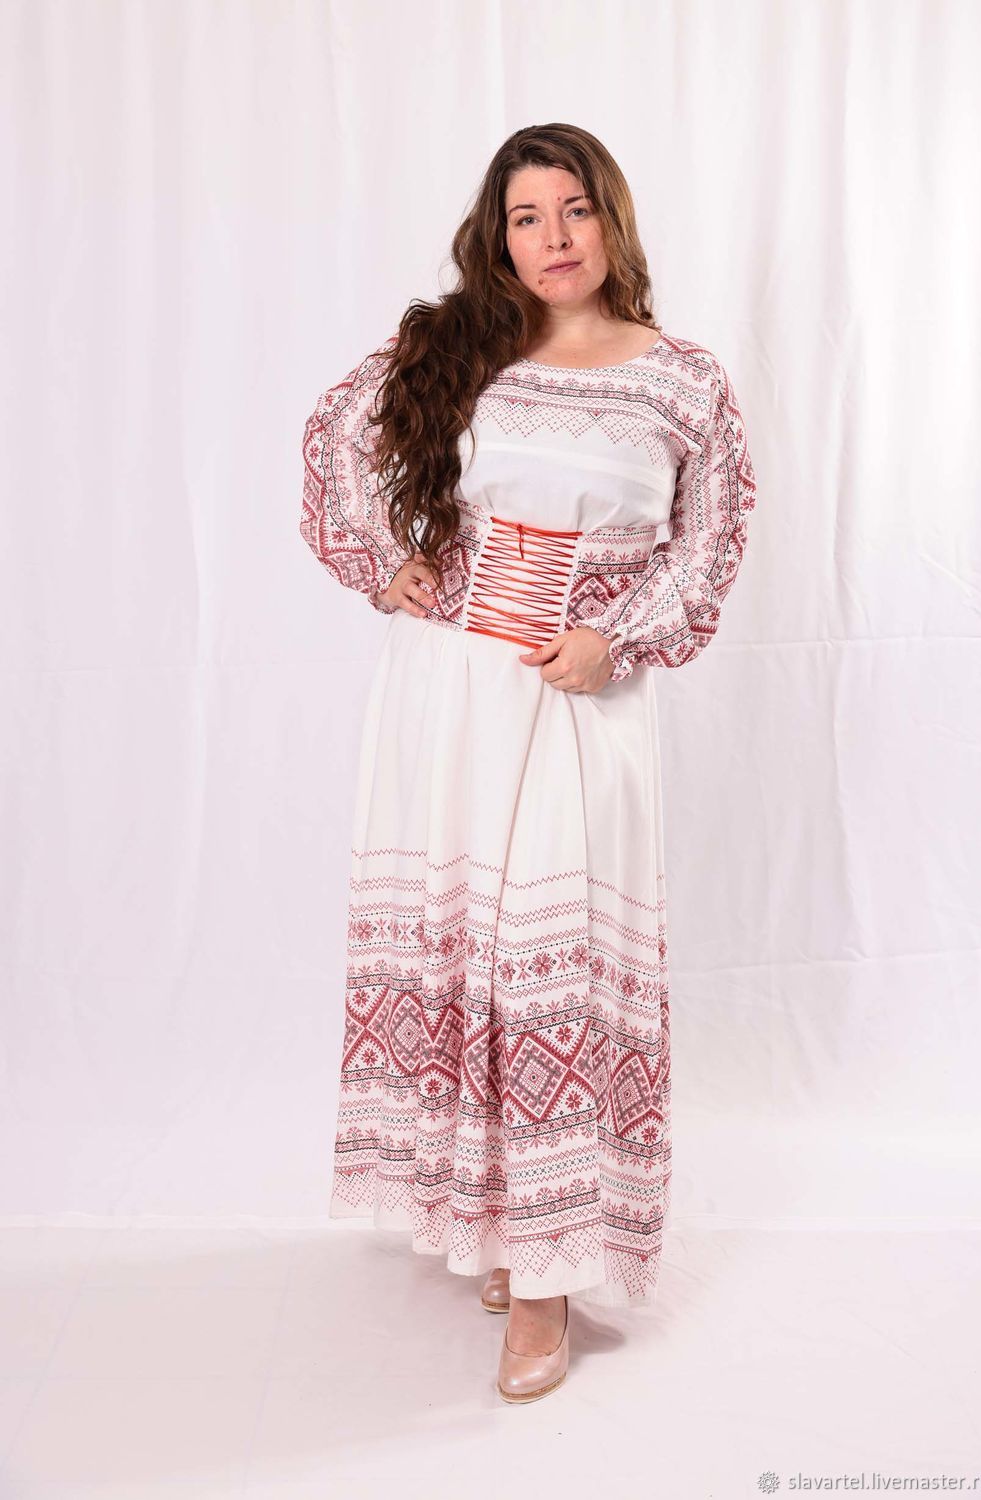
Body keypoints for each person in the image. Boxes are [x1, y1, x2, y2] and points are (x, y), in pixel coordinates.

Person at [299, 122, 757, 1403]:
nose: (552, 238)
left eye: (573, 210)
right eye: (524, 216)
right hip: (449, 693)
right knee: (469, 957)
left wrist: (618, 638)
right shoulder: (459, 348)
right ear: (495, 236)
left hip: (580, 700)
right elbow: (332, 440)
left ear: (611, 218)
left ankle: (548, 1274)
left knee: (549, 971)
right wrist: (385, 565)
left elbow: (709, 544)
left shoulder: (682, 382)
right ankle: (498, 1225)